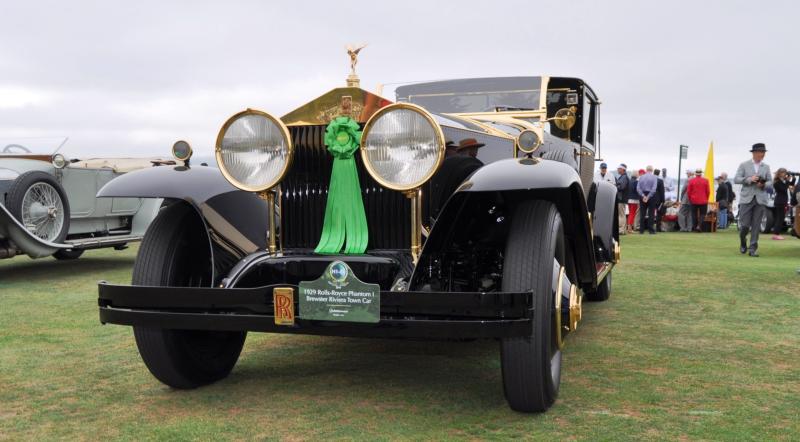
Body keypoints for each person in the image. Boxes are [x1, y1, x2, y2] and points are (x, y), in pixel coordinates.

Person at [734, 143, 772, 257]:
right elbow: (736, 179)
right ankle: (742, 241)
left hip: (760, 199)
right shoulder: (744, 165)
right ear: (754, 153)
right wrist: (750, 179)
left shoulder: (766, 167)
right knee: (744, 225)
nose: (763, 154)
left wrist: (764, 185)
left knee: (756, 225)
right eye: (761, 152)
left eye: (764, 152)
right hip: (746, 199)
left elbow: (771, 182)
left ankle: (753, 249)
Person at [771, 168, 795, 240]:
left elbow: (792, 184)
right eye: (783, 173)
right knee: (780, 218)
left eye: (785, 173)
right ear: (780, 173)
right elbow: (784, 189)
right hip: (780, 202)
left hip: (782, 202)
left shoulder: (783, 181)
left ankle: (776, 234)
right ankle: (776, 234)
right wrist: (787, 180)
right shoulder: (777, 182)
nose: (785, 174)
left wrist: (793, 178)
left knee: (781, 218)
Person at [637, 165, 658, 234]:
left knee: (642, 213)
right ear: (652, 170)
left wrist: (643, 196)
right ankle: (651, 230)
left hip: (642, 194)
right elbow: (654, 189)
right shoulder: (654, 177)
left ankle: (641, 230)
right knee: (651, 213)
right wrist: (648, 196)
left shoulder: (641, 177)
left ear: (646, 170)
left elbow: (638, 188)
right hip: (651, 195)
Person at [615, 164, 629, 235]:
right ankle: (622, 229)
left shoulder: (624, 177)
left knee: (621, 215)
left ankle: (621, 230)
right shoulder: (623, 177)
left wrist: (614, 186)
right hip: (622, 198)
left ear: (623, 169)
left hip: (621, 198)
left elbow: (621, 187)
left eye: (619, 169)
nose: (617, 170)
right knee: (622, 214)